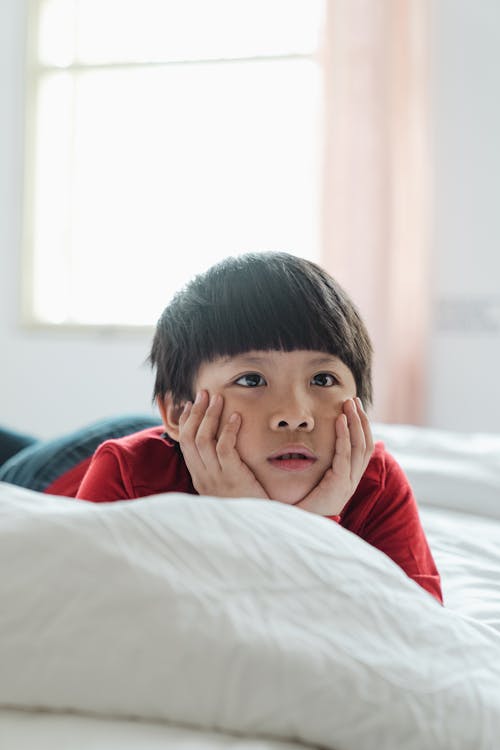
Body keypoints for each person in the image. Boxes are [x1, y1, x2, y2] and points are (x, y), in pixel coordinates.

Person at [0, 252, 442, 603]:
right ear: (177, 412)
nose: (295, 414)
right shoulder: (126, 473)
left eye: (323, 380)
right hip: (60, 472)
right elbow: (88, 611)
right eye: (251, 380)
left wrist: (297, 528)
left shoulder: (375, 481)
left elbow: (415, 626)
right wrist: (240, 521)